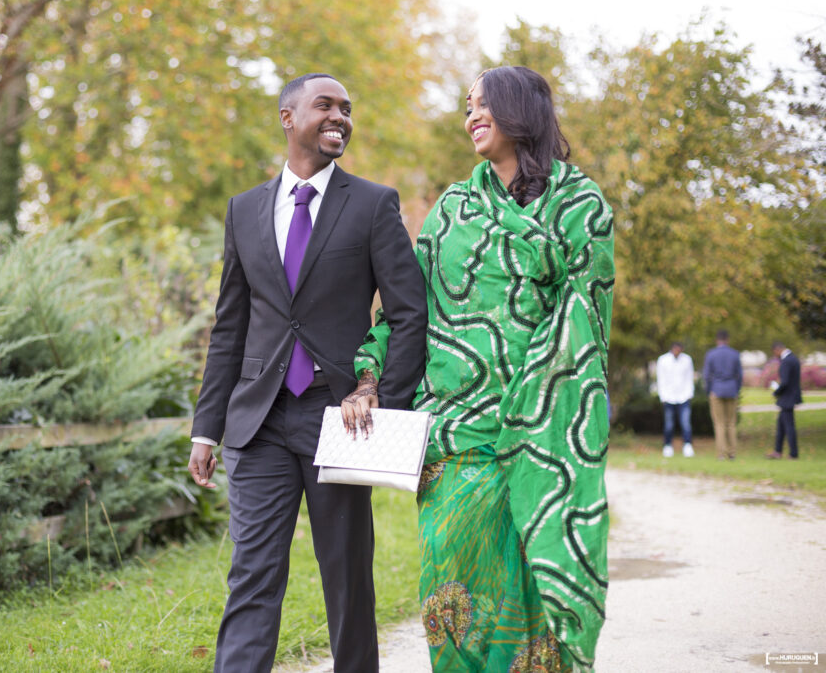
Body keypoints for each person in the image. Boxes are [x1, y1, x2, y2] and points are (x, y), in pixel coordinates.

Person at [341, 66, 613, 672]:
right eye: (467, 108)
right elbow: (406, 310)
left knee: (535, 592)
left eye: (483, 105)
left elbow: (585, 323)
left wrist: (530, 407)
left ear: (521, 111)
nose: (470, 117)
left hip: (536, 439)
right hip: (452, 444)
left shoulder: (580, 205)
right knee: (454, 598)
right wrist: (369, 377)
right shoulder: (452, 209)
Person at [187, 73, 428, 673]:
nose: (340, 117)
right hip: (259, 422)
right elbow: (230, 326)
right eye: (326, 105)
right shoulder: (244, 211)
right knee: (252, 577)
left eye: (347, 109)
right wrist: (205, 427)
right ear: (288, 117)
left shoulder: (373, 204)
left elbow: (408, 312)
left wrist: (384, 401)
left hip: (342, 422)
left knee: (347, 580)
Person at [702, 330, 742, 460]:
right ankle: (732, 453)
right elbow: (740, 375)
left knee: (719, 423)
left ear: (717, 340)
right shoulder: (735, 354)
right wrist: (736, 389)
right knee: (731, 423)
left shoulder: (711, 354)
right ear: (728, 340)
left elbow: (706, 376)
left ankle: (721, 453)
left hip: (717, 390)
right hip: (731, 390)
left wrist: (709, 390)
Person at [656, 342, 695, 457]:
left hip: (683, 396)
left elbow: (689, 377)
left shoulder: (687, 360)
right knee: (669, 424)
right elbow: (661, 379)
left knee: (685, 423)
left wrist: (689, 394)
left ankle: (687, 445)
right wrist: (662, 395)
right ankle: (667, 445)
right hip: (669, 396)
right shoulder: (663, 360)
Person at [767, 341, 802, 459]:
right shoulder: (794, 359)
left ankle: (793, 453)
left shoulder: (786, 361)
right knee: (781, 426)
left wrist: (776, 391)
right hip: (791, 396)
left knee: (789, 426)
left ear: (777, 350)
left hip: (787, 398)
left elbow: (785, 382)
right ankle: (778, 451)